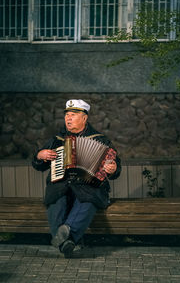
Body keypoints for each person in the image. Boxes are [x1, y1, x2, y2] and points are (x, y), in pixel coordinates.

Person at [32, 99, 121, 257]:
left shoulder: (100, 140)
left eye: (73, 115)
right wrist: (40, 156)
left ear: (84, 118)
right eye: (66, 115)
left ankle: (65, 239)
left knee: (87, 198)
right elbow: (38, 165)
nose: (68, 118)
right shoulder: (57, 140)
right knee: (55, 199)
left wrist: (112, 169)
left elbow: (116, 168)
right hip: (61, 186)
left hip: (89, 186)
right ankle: (67, 243)